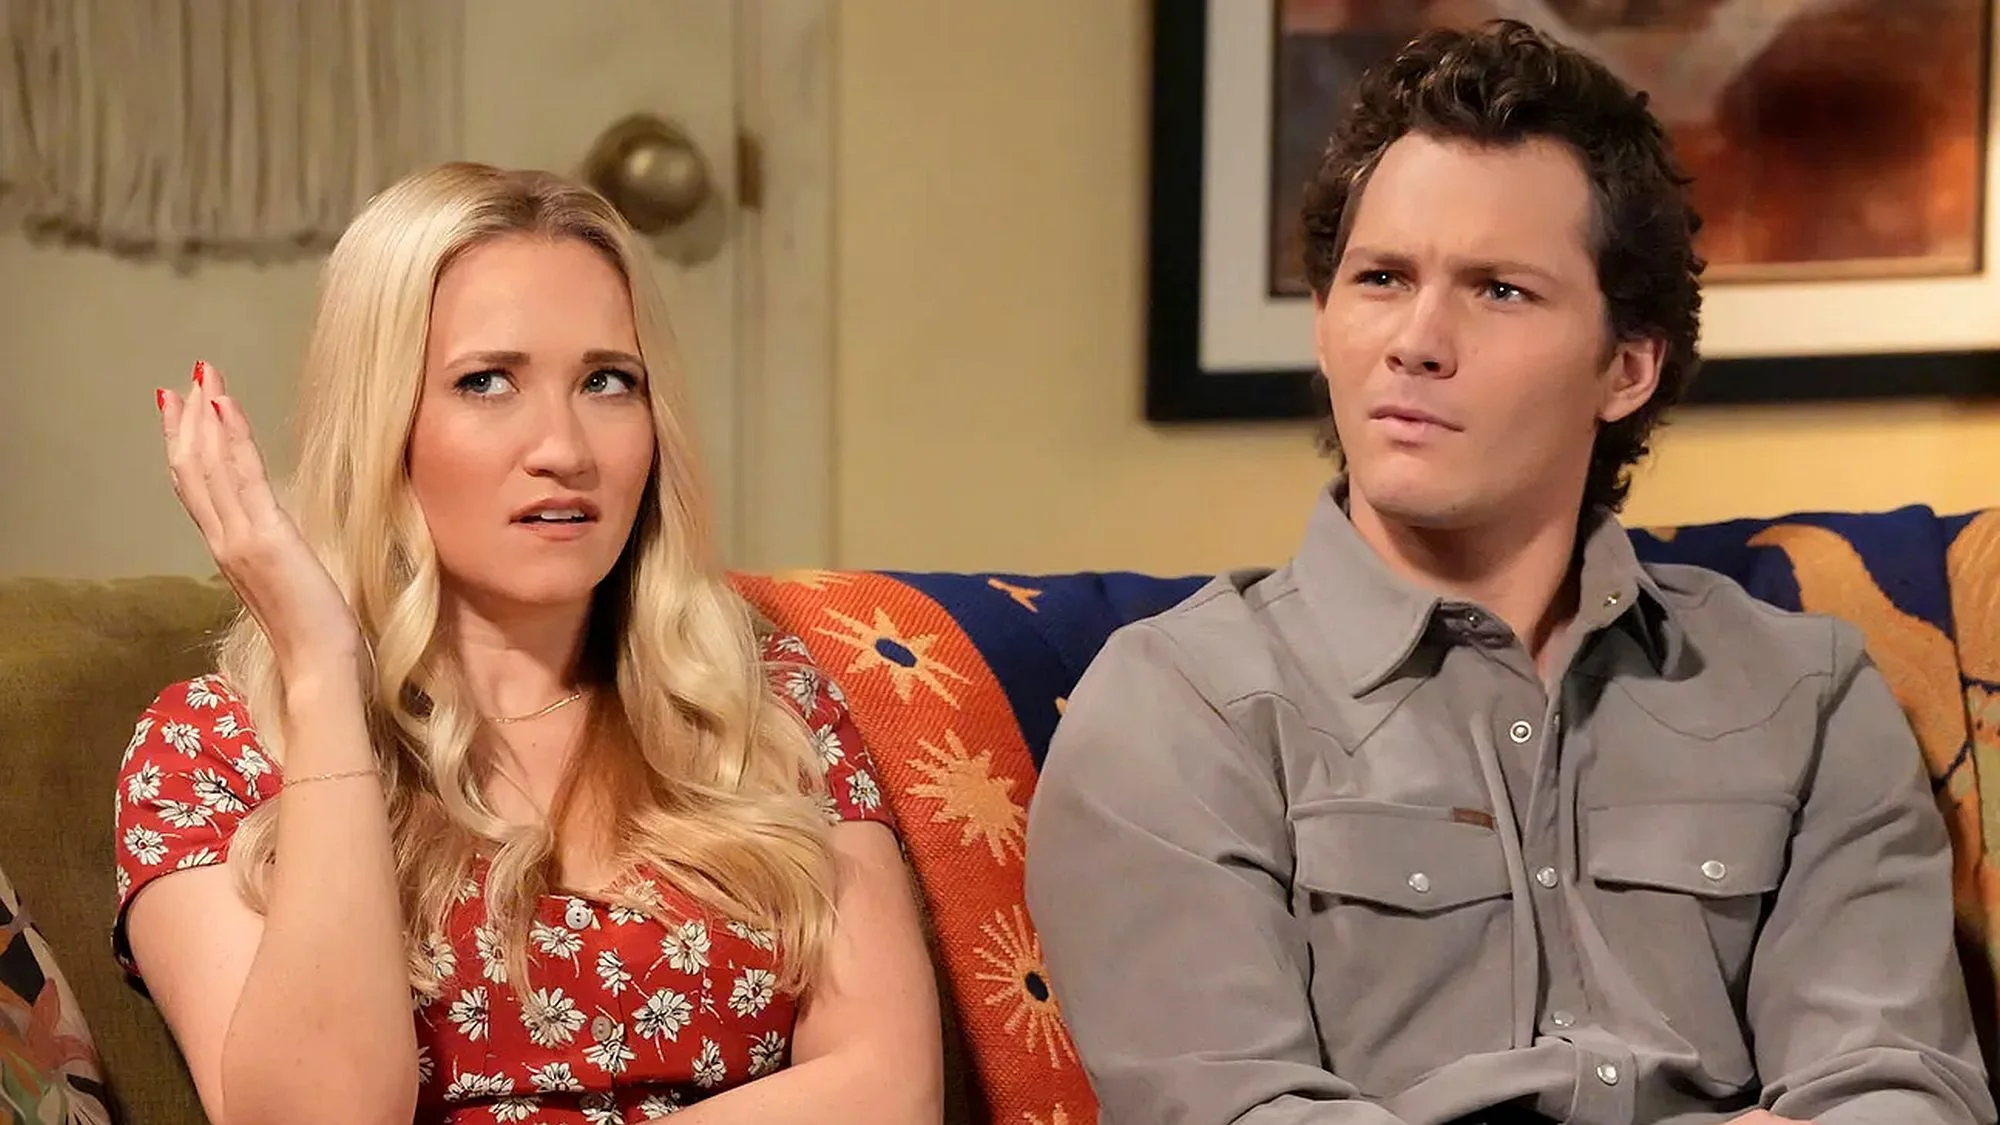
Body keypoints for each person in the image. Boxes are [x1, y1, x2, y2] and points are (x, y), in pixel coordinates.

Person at [1024, 20, 1993, 1125]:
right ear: (1326, 325)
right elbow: (1238, 1112)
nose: (1416, 341)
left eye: (1498, 290)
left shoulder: (1802, 692)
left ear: (1626, 368)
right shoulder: (1179, 706)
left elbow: (1899, 1088)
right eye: (1380, 278)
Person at [112, 163, 942, 1125]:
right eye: (487, 381)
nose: (565, 448)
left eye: (607, 381)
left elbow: (891, 1090)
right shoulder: (214, 748)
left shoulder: (758, 705)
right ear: (383, 425)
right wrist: (324, 678)